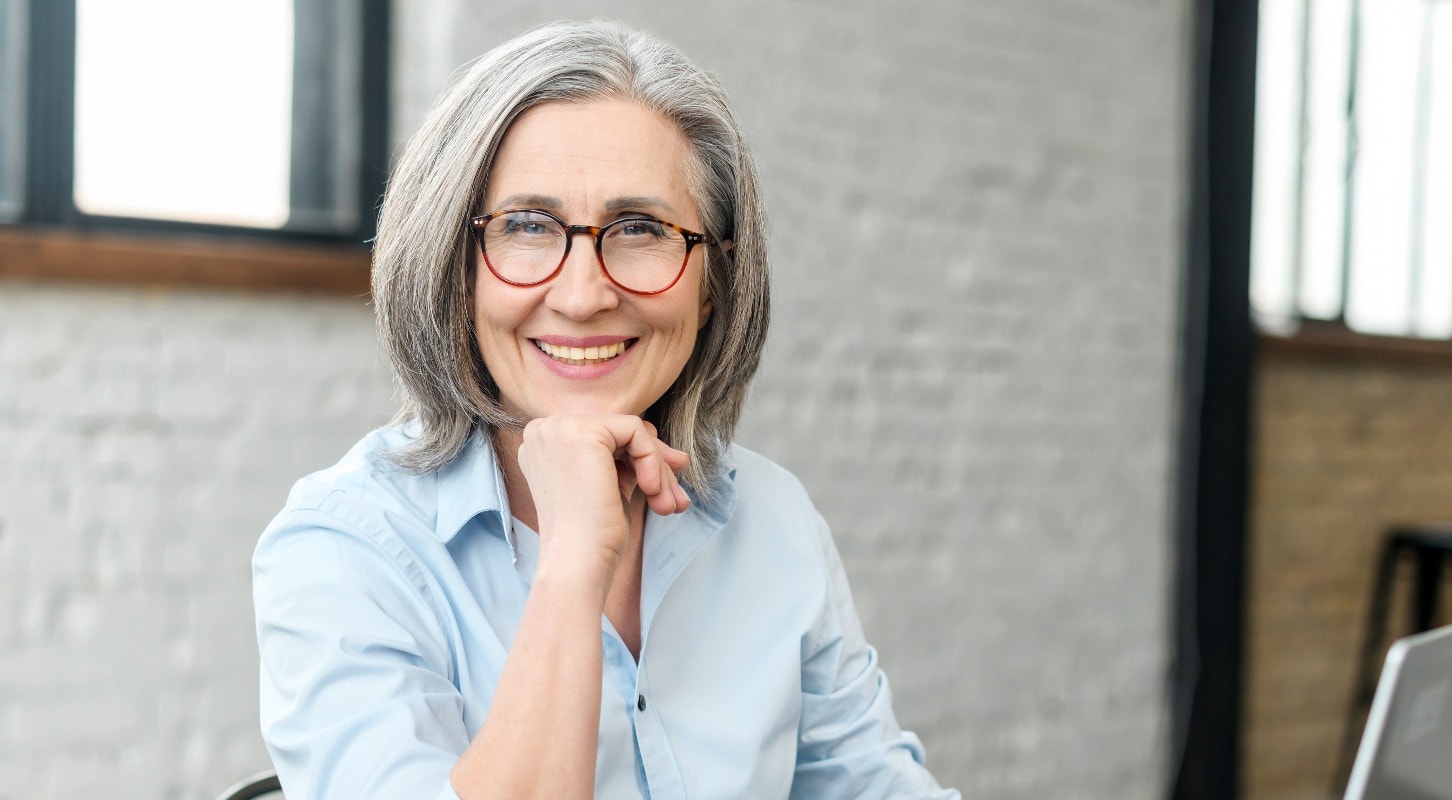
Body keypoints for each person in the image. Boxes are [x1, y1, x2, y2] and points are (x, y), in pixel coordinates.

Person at [253, 19, 959, 800]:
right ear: (456, 268)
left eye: (639, 229)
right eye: (525, 226)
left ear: (713, 279)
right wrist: (572, 564)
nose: (585, 295)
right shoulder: (345, 548)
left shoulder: (771, 521)